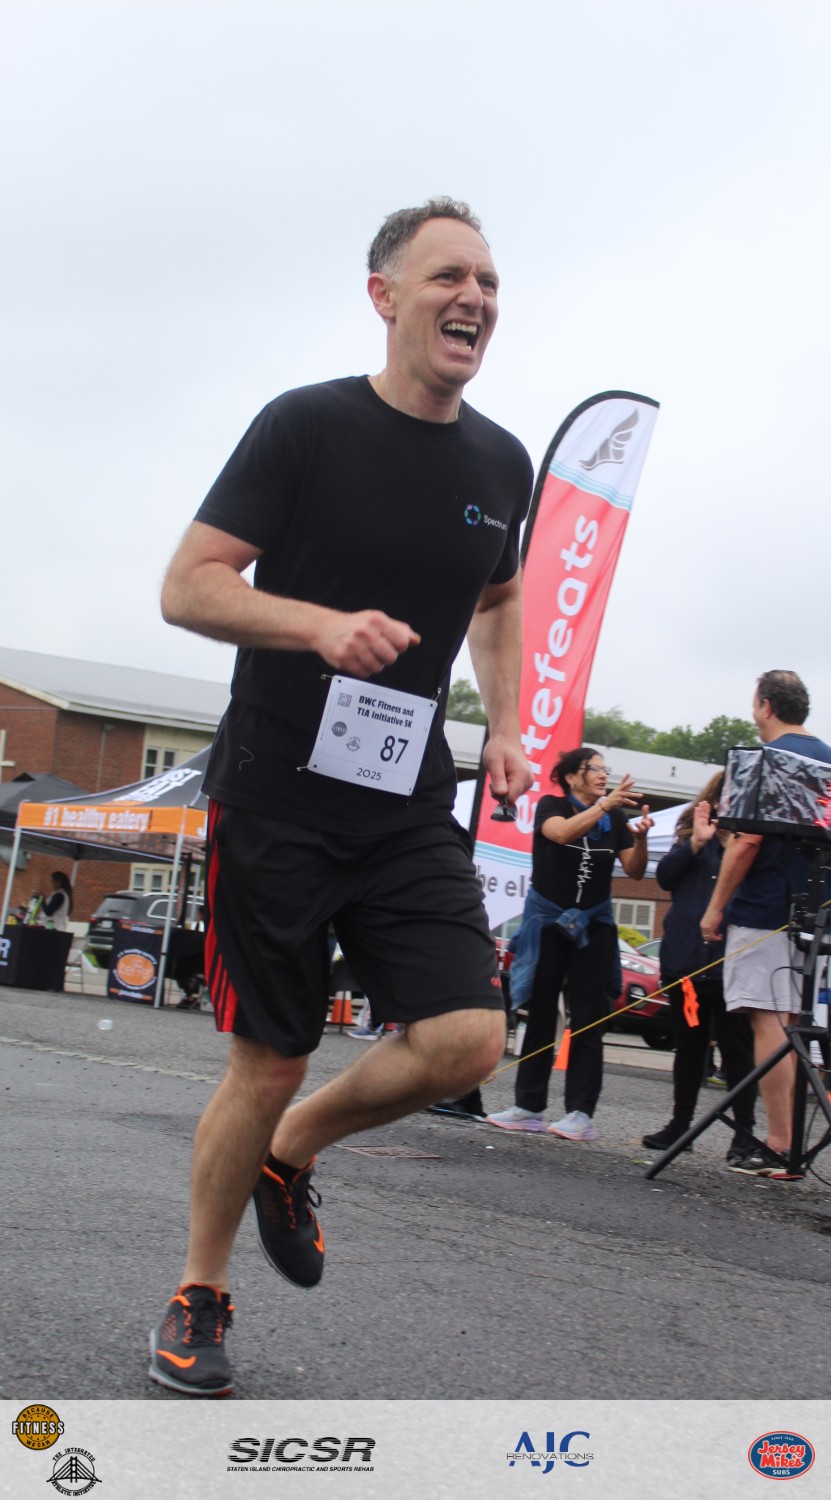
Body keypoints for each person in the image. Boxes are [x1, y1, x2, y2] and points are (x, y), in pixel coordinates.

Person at [149, 198, 534, 1397]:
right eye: (449, 276)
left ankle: (294, 1150)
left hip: (405, 796)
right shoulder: (305, 426)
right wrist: (317, 625)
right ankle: (199, 1293)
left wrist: (510, 725)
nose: (473, 298)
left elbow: (499, 599)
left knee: (467, 1040)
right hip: (276, 792)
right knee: (270, 1056)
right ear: (385, 295)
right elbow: (188, 585)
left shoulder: (501, 462)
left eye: (488, 281)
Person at [700, 670, 831, 1179]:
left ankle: (779, 1142)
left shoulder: (761, 760)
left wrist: (715, 907)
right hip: (818, 913)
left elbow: (747, 841)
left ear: (765, 705)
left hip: (765, 910)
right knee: (793, 1025)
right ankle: (789, 1143)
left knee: (769, 1023)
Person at [487, 748, 653, 1142]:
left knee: (589, 1018)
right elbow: (560, 833)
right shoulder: (552, 805)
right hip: (548, 922)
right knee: (541, 1013)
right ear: (571, 777)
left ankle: (580, 1114)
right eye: (594, 769)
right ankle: (528, 1107)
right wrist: (605, 806)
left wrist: (641, 840)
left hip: (594, 925)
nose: (602, 775)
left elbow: (635, 871)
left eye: (604, 769)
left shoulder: (614, 818)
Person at [641, 775, 756, 1163]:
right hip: (687, 964)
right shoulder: (693, 831)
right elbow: (665, 877)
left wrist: (732, 843)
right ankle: (680, 1126)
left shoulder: (753, 840)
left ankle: (744, 1135)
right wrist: (695, 844)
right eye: (727, 796)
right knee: (689, 1046)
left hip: (731, 966)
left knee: (737, 1049)